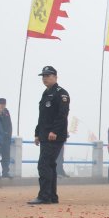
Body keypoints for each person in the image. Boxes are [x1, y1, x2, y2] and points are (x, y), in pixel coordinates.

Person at [29, 66, 69, 205]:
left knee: (44, 164)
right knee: (50, 165)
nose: (45, 78)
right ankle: (52, 196)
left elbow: (62, 115)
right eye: (43, 76)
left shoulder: (61, 93)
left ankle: (44, 196)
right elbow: (43, 116)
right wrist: (37, 133)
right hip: (45, 135)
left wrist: (55, 131)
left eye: (48, 75)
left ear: (55, 77)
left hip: (54, 136)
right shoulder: (46, 93)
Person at [0, 98, 13, 178]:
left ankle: (5, 172)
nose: (2, 105)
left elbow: (9, 124)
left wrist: (9, 135)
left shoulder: (6, 111)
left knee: (6, 156)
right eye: (1, 104)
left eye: (4, 104)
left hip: (6, 139)